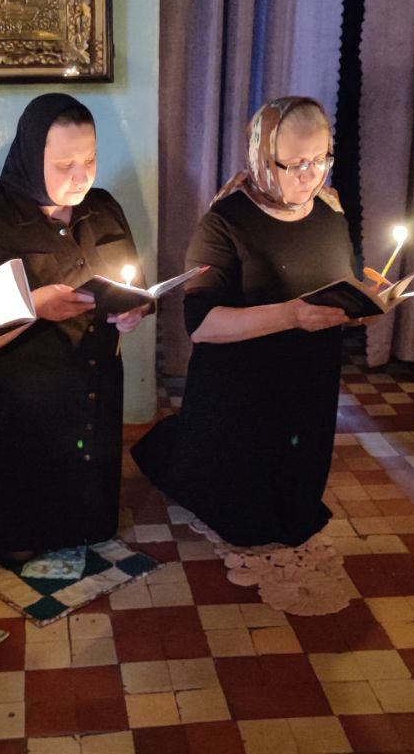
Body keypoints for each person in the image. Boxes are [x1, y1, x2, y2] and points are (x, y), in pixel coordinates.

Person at [132, 97, 355, 549]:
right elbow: (201, 324)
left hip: (310, 388)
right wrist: (291, 314)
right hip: (242, 392)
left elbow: (338, 285)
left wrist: (365, 302)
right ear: (262, 156)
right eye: (295, 163)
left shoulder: (330, 213)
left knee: (297, 505)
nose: (311, 175)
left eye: (321, 159)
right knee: (244, 518)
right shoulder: (224, 222)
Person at [0, 93, 148, 561]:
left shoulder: (103, 207)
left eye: (90, 159)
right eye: (64, 164)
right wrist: (34, 306)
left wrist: (133, 310)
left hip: (94, 390)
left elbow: (131, 282)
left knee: (93, 523)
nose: (81, 176)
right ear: (32, 157)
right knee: (18, 531)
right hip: (18, 405)